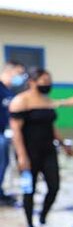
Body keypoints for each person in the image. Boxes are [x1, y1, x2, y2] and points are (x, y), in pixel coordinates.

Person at [9, 68, 73, 227]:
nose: (47, 84)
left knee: (54, 186)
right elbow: (16, 131)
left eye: (49, 81)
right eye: (43, 81)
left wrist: (63, 144)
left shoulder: (47, 101)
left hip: (48, 151)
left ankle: (43, 220)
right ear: (32, 82)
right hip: (28, 152)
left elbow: (51, 127)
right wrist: (22, 157)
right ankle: (30, 225)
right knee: (29, 189)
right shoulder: (20, 101)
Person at [0, 60, 27, 206]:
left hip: (3, 131)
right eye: (19, 73)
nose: (21, 77)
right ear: (9, 72)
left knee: (4, 163)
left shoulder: (8, 91)